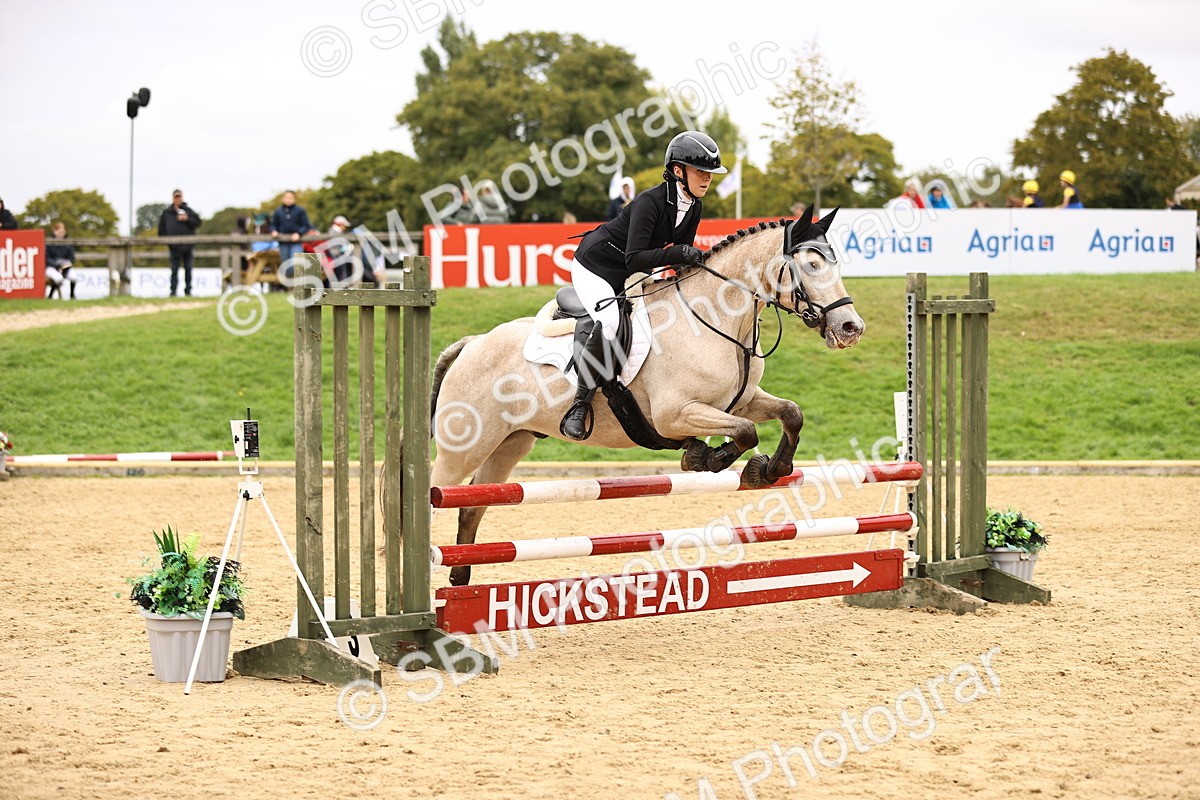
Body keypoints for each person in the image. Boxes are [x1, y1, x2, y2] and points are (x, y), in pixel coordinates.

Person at [558, 130, 726, 440]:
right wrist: (679, 253)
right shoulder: (650, 202)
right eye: (700, 171)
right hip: (596, 266)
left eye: (710, 173)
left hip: (628, 270)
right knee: (609, 321)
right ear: (678, 171)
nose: (707, 179)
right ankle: (579, 405)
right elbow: (636, 258)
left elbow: (680, 258)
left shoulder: (695, 206)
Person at [157, 189, 202, 296]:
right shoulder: (167, 213)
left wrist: (187, 219)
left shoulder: (188, 211)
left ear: (182, 197)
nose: (178, 199)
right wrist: (167, 242)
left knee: (188, 269)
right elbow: (161, 229)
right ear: (173, 198)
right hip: (174, 247)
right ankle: (173, 292)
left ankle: (188, 291)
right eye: (176, 197)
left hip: (188, 246)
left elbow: (198, 222)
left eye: (179, 197)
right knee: (174, 270)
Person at [270, 190, 314, 272]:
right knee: (286, 265)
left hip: (296, 242)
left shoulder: (300, 211)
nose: (289, 200)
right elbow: (273, 224)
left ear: (294, 199)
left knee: (295, 263)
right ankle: (289, 284)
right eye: (287, 198)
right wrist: (274, 231)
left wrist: (299, 233)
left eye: (291, 198)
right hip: (283, 242)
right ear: (283, 199)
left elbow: (306, 225)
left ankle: (296, 283)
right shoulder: (278, 211)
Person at [45, 221, 77, 299]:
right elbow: (47, 258)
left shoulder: (68, 243)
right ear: (54, 231)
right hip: (52, 267)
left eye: (62, 232)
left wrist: (67, 264)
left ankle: (72, 295)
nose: (61, 234)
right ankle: (50, 296)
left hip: (65, 268)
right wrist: (57, 265)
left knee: (74, 277)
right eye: (59, 231)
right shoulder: (49, 242)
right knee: (58, 278)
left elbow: (72, 258)